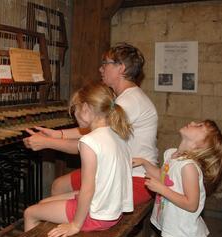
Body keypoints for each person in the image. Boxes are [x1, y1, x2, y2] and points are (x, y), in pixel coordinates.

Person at [23, 42, 158, 205]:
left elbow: (93, 144)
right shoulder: (123, 98)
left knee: (52, 201)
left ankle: (76, 225)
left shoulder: (129, 102)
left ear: (121, 68)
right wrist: (59, 134)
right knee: (59, 185)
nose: (101, 69)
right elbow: (96, 128)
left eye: (105, 64)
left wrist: (47, 143)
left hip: (133, 178)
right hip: (118, 171)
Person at [24, 82, 133, 237]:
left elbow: (87, 189)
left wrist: (75, 225)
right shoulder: (118, 134)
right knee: (43, 204)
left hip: (96, 216)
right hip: (111, 210)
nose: (74, 115)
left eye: (75, 109)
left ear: (86, 109)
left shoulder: (89, 141)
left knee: (30, 213)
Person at [132, 120, 222, 237]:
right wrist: (144, 163)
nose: (194, 122)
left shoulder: (188, 167)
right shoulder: (173, 155)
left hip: (186, 236)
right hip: (177, 231)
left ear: (200, 145)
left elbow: (191, 204)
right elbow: (162, 176)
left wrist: (161, 189)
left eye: (200, 126)